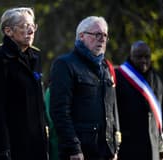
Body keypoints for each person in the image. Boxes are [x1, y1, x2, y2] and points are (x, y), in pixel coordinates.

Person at [49, 16, 121, 160]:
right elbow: (59, 111)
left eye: (105, 35)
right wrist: (73, 148)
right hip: (79, 152)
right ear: (81, 36)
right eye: (97, 34)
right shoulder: (65, 64)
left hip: (106, 152)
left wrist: (114, 147)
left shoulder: (105, 68)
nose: (102, 39)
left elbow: (112, 109)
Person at [0, 7, 48, 160]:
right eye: (25, 26)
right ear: (8, 31)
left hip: (37, 145)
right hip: (12, 145)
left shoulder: (35, 56)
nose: (31, 31)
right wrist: (2, 150)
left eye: (33, 26)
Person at [115, 40, 163, 160]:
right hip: (128, 148)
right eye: (139, 57)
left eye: (147, 57)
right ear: (131, 56)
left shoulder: (156, 80)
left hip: (153, 148)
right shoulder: (119, 77)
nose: (143, 60)